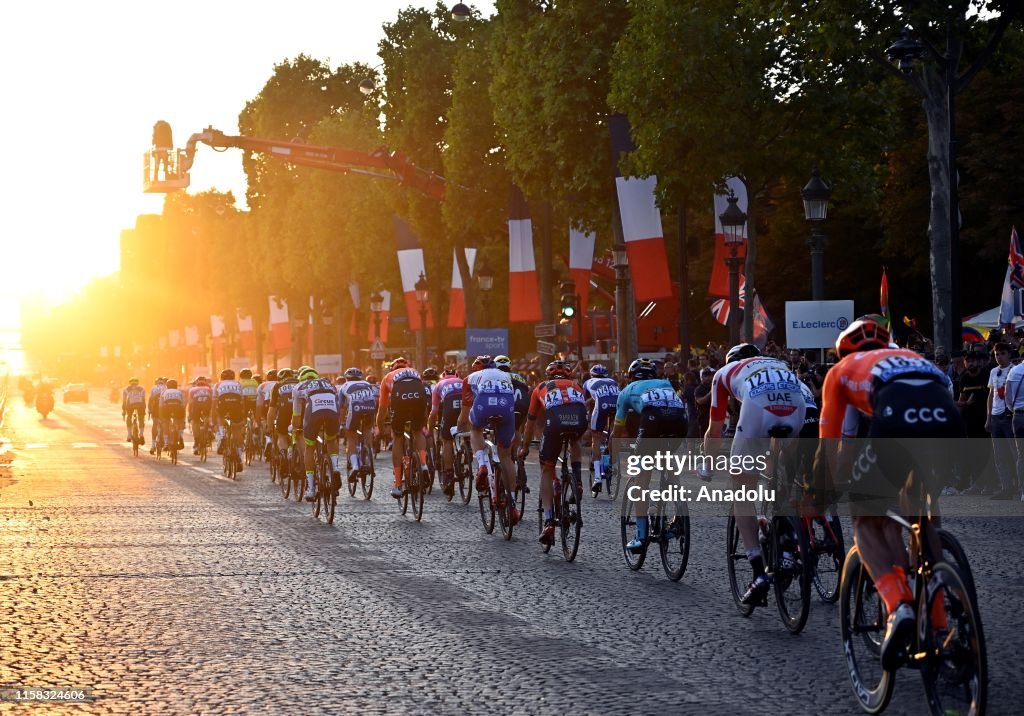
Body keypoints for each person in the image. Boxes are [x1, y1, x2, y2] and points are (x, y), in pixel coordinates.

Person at [815, 316, 963, 671]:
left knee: (865, 520)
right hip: (949, 421)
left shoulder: (841, 370)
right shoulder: (915, 357)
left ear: (843, 350)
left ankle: (900, 606)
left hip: (895, 418)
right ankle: (939, 616)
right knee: (923, 513)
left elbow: (832, 442)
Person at [703, 343, 806, 606]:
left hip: (758, 407)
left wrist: (708, 465)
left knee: (741, 488)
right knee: (782, 473)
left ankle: (759, 573)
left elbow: (715, 429)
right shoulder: (776, 363)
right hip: (797, 403)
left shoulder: (723, 373)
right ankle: (787, 541)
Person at [612, 357, 688, 552]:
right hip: (680, 420)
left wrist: (613, 457)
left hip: (653, 420)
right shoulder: (665, 383)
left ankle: (641, 535)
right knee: (667, 459)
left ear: (630, 377)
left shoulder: (626, 391)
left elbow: (617, 431)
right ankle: (679, 513)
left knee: (641, 478)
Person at [520, 360, 586, 545]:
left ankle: (549, 521)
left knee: (547, 469)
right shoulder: (577, 386)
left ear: (548, 376)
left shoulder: (540, 387)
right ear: (568, 375)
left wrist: (525, 447)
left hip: (556, 422)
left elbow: (530, 423)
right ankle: (578, 481)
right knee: (575, 441)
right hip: (579, 420)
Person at [460, 355, 521, 524]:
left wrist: (459, 428)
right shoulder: (507, 375)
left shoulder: (470, 378)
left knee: (475, 428)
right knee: (506, 456)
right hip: (506, 407)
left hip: (483, 405)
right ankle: (513, 503)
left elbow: (463, 416)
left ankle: (482, 465)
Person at [376, 357, 430, 499]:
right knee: (417, 431)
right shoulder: (414, 371)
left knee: (398, 438)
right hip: (419, 396)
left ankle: (398, 485)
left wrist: (380, 429)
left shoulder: (387, 377)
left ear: (392, 368)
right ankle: (424, 464)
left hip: (399, 400)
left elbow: (382, 410)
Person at [291, 367, 342, 501]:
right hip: (332, 410)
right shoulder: (328, 383)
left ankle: (311, 489)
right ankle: (335, 468)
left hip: (314, 411)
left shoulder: (298, 387)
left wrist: (295, 429)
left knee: (310, 447)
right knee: (331, 441)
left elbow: (296, 416)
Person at [986, 342, 1018, 499]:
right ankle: (1006, 488)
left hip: (1009, 415)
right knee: (999, 455)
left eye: (1002, 353)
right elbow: (991, 395)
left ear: (1009, 354)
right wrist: (988, 417)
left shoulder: (1014, 370)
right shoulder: (993, 371)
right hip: (995, 416)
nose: (999, 357)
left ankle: (1019, 487)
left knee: (1015, 453)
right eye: (996, 354)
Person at [581, 363, 620, 496]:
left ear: (592, 375)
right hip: (616, 405)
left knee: (596, 438)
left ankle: (597, 476)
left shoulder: (588, 382)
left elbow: (585, 402)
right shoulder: (613, 382)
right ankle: (609, 460)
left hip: (601, 406)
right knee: (613, 433)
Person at [427, 366, 464, 497]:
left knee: (447, 440)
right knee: (469, 431)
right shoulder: (463, 381)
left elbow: (434, 413)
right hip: (465, 405)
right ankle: (468, 450)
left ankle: (449, 474)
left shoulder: (439, 385)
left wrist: (430, 430)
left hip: (450, 405)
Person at [338, 367, 378, 483]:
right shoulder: (367, 384)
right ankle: (369, 458)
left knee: (351, 435)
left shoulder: (344, 386)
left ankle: (355, 464)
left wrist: (341, 423)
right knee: (367, 429)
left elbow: (341, 407)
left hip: (355, 408)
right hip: (370, 407)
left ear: (347, 378)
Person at [213, 369, 245, 471]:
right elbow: (242, 399)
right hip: (236, 403)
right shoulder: (238, 384)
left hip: (223, 401)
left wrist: (213, 415)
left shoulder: (218, 384)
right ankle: (239, 456)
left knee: (220, 416)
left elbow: (214, 402)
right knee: (236, 430)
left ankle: (222, 434)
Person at [186, 376, 213, 454]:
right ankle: (207, 431)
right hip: (206, 405)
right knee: (206, 419)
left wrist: (189, 415)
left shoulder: (192, 389)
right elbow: (212, 402)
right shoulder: (209, 389)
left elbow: (190, 403)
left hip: (196, 406)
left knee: (195, 422)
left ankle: (196, 441)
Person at [158, 379, 186, 450]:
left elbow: (160, 405)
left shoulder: (164, 391)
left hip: (167, 407)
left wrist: (161, 417)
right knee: (180, 422)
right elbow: (183, 404)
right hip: (177, 407)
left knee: (165, 424)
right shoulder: (179, 392)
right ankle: (180, 437)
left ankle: (166, 443)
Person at [121, 377, 147, 444]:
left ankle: (129, 435)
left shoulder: (126, 389)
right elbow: (143, 399)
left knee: (129, 417)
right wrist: (144, 409)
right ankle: (141, 435)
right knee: (141, 419)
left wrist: (123, 410)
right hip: (140, 404)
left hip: (130, 405)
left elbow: (124, 401)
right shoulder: (142, 388)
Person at [148, 377, 167, 454]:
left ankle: (153, 445)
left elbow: (150, 400)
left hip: (155, 408)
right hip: (164, 408)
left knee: (155, 424)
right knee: (165, 423)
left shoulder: (154, 388)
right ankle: (166, 442)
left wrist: (149, 410)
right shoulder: (166, 387)